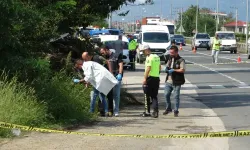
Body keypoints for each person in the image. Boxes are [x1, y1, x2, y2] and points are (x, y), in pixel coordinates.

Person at [82, 52, 112, 116]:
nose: (85, 61)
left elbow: (107, 62)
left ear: (88, 56)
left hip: (99, 80)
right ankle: (105, 111)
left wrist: (110, 73)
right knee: (102, 96)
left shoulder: (97, 58)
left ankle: (91, 111)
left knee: (94, 96)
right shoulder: (89, 62)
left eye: (85, 59)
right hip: (98, 80)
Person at [100, 45, 123, 117]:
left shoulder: (116, 55)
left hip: (116, 77)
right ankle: (109, 110)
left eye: (103, 52)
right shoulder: (104, 58)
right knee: (109, 95)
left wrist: (120, 74)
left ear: (106, 49)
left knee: (116, 95)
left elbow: (120, 65)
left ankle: (116, 111)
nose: (102, 54)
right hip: (108, 78)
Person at [163, 45, 186, 117]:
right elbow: (167, 66)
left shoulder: (181, 60)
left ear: (176, 52)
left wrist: (174, 70)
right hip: (168, 81)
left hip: (177, 81)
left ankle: (176, 110)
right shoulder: (170, 58)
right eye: (170, 52)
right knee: (166, 94)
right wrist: (166, 69)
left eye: (172, 53)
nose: (171, 54)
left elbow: (182, 70)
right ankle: (168, 108)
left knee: (176, 96)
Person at [141, 44, 161, 118]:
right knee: (154, 96)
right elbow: (159, 67)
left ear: (146, 50)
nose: (143, 53)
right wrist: (157, 75)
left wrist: (145, 79)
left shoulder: (149, 58)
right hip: (156, 78)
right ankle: (155, 112)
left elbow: (148, 68)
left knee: (146, 94)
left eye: (143, 51)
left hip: (149, 78)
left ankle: (147, 111)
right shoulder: (157, 57)